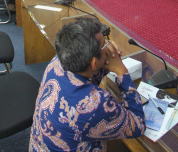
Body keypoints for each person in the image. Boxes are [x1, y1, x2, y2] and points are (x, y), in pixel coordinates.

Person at [29, 17, 145, 151]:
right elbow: (138, 125)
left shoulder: (58, 61)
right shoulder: (94, 104)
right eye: (104, 45)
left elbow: (88, 73)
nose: (108, 45)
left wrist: (106, 60)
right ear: (94, 63)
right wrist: (121, 71)